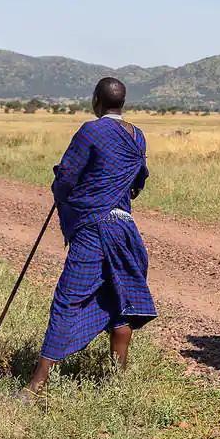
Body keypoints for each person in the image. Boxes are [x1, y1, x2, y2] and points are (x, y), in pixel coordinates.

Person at [19, 77, 153, 399]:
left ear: (96, 100)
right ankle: (117, 379)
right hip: (125, 228)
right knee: (121, 296)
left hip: (94, 228)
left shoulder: (90, 131)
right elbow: (138, 181)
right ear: (123, 102)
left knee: (68, 299)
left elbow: (67, 175)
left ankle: (37, 385)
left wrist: (63, 193)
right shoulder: (138, 137)